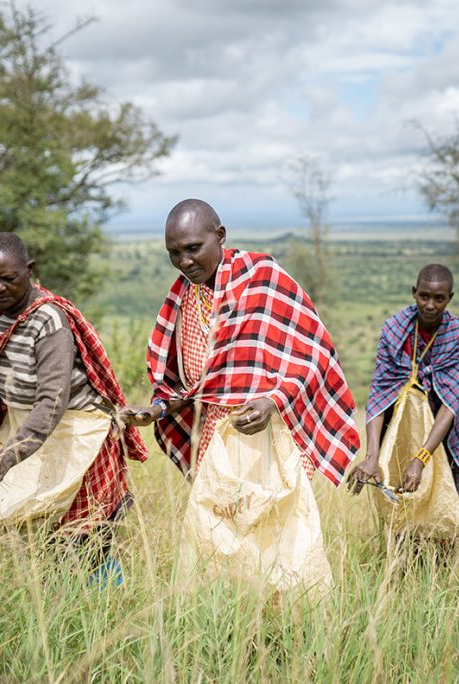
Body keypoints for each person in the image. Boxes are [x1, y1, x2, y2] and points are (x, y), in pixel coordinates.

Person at [121, 199, 359, 594]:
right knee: (217, 546)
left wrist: (273, 399)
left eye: (193, 248)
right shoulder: (183, 296)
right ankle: (231, 638)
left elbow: (312, 352)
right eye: (173, 254)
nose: (183, 261)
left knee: (282, 546)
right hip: (215, 439)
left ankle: (292, 638)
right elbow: (189, 384)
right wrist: (158, 408)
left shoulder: (262, 277)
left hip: (268, 438)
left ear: (221, 236)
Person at [0, 232, 148, 579]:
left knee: (85, 539)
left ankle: (109, 611)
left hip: (78, 434)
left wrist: (9, 457)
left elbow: (51, 404)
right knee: (37, 539)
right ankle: (57, 613)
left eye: (8, 278)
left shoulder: (49, 321)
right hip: (29, 433)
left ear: (29, 270)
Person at [347, 264, 459, 537]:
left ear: (450, 299)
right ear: (414, 293)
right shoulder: (395, 329)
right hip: (400, 428)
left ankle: (440, 574)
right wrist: (372, 457)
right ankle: (401, 569)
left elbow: (450, 407)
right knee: (400, 512)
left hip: (447, 437)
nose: (430, 305)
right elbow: (379, 395)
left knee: (441, 512)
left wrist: (420, 460)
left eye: (439, 298)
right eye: (424, 296)